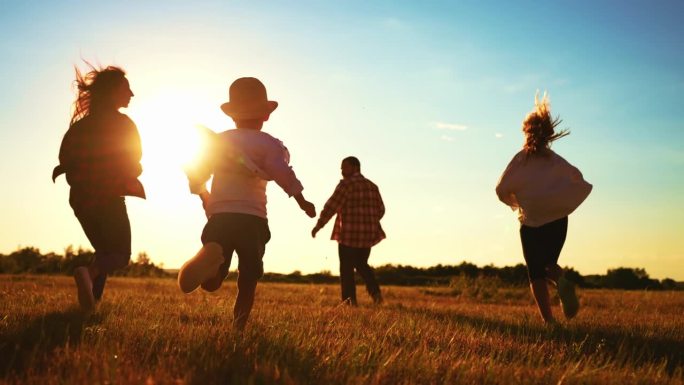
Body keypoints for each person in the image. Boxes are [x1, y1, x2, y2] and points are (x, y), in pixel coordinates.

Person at [178, 77, 316, 330]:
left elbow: (198, 171)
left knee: (212, 281)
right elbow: (281, 172)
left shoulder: (218, 142)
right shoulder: (270, 144)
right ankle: (238, 328)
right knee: (248, 279)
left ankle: (210, 262)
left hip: (220, 215)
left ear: (232, 115)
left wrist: (203, 195)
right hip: (252, 219)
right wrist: (301, 200)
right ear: (265, 115)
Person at [53, 65, 145, 312]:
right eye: (127, 89)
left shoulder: (79, 127)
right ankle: (88, 272)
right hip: (108, 198)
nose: (132, 94)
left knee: (104, 252)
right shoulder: (124, 124)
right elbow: (134, 159)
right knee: (120, 256)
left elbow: (65, 159)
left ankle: (91, 304)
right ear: (114, 91)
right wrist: (134, 172)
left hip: (80, 201)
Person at [495, 92, 592, 324]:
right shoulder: (555, 160)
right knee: (549, 265)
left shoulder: (521, 159)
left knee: (536, 272)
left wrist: (516, 203)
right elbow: (577, 178)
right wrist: (561, 201)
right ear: (548, 134)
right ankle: (562, 281)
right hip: (558, 220)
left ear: (526, 132)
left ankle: (549, 320)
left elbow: (501, 188)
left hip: (531, 222)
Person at [312, 156, 385, 306]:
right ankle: (376, 293)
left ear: (354, 167)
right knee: (362, 264)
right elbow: (381, 210)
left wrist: (318, 226)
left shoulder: (346, 185)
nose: (341, 171)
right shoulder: (372, 186)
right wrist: (369, 221)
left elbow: (331, 207)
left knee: (346, 269)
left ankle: (349, 302)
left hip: (349, 235)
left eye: (344, 167)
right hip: (368, 235)